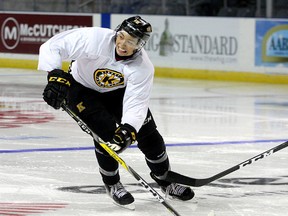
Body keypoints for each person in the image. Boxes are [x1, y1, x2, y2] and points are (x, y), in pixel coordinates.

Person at [38, 15, 194, 209]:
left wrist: (129, 128)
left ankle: (165, 179)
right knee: (105, 135)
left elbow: (136, 102)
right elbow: (52, 46)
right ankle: (112, 184)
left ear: (140, 45)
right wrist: (54, 75)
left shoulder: (142, 67)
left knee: (149, 135)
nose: (123, 43)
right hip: (81, 88)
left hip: (117, 92)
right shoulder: (95, 38)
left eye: (131, 41)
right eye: (122, 36)